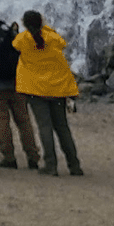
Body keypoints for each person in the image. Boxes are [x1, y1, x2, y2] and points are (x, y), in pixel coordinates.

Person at [14, 9, 82, 177]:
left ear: (24, 24)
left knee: (45, 128)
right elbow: (62, 43)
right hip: (58, 89)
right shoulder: (52, 38)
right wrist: (47, 29)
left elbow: (15, 44)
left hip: (36, 90)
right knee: (62, 128)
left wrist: (16, 31)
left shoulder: (23, 39)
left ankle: (51, 165)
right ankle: (74, 165)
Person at [0, 1, 39, 170]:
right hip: (16, 82)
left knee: (2, 122)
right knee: (24, 121)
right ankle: (33, 156)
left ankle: (9, 157)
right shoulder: (9, 30)